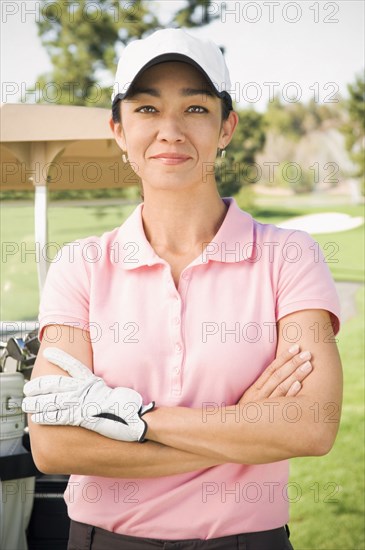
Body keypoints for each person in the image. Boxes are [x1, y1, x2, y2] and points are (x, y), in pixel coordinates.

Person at [23, 28, 343, 550]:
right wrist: (244, 425)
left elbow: (311, 424)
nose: (170, 130)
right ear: (119, 130)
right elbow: (54, 445)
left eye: (195, 109)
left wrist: (129, 416)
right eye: (147, 109)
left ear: (226, 127)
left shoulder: (290, 255)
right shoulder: (80, 265)